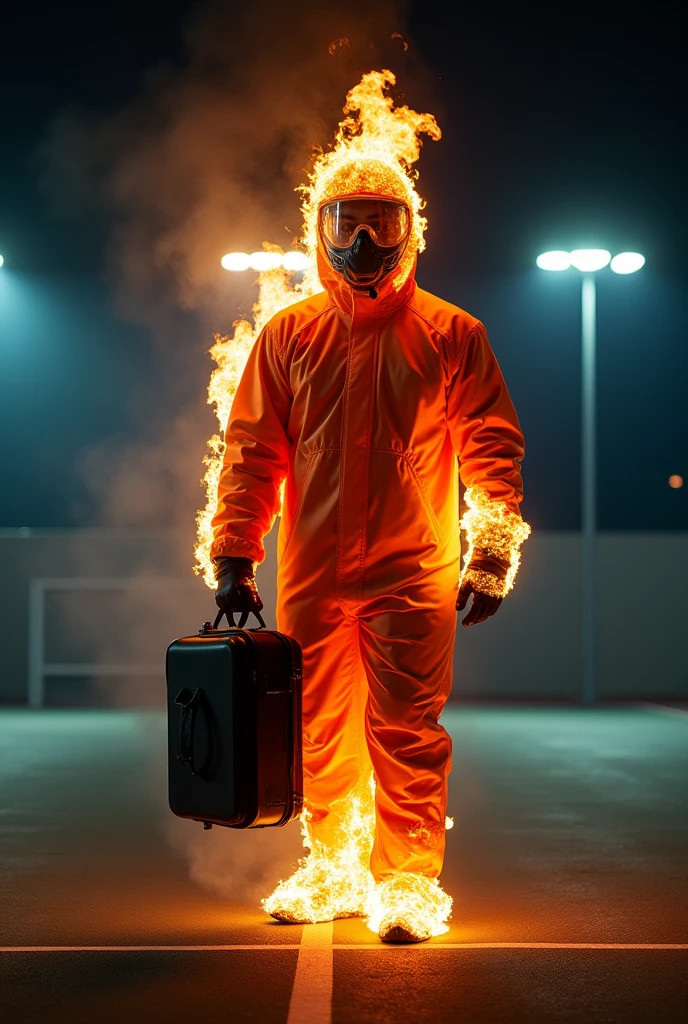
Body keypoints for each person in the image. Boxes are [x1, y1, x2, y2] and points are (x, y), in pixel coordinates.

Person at [210, 157, 529, 943]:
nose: (361, 240)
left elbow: (492, 447)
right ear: (318, 229)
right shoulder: (290, 334)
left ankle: (408, 881)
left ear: (409, 231)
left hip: (414, 568)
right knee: (316, 726)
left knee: (406, 727)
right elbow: (252, 451)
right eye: (346, 221)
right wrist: (234, 554)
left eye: (379, 223)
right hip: (315, 571)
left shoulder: (452, 334)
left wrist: (489, 551)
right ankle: (334, 865)